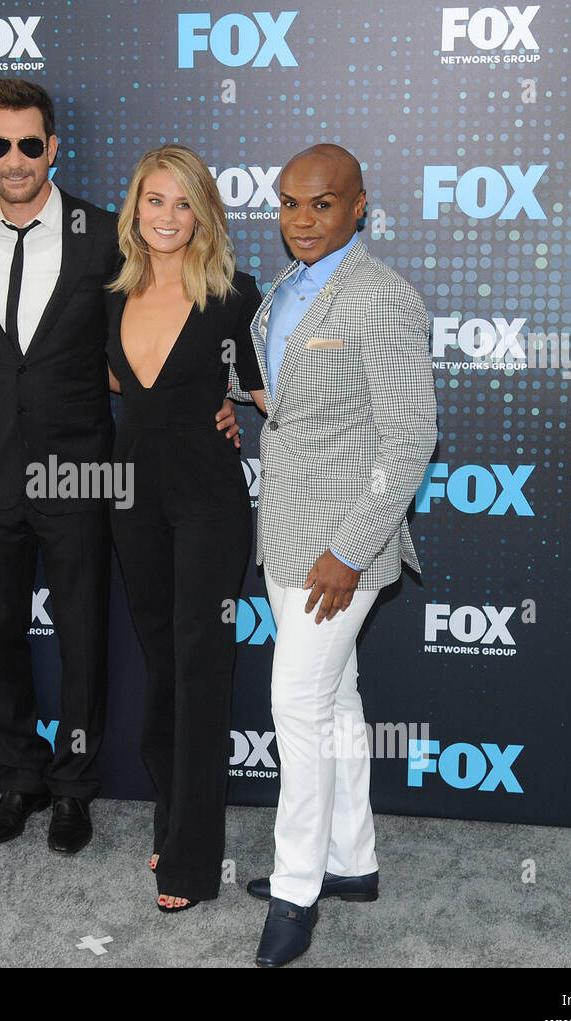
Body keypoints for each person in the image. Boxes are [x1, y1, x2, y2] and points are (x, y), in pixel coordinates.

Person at [0, 79, 241, 855]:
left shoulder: (109, 233)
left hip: (86, 471)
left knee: (81, 632)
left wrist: (221, 397)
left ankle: (73, 785)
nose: (14, 159)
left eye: (29, 145)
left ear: (53, 149)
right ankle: (17, 776)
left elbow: (160, 344)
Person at [241, 144, 437, 966]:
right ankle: (352, 861)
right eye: (289, 204)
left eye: (321, 205)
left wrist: (351, 551)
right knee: (339, 701)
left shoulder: (382, 299)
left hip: (338, 549)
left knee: (298, 710)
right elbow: (293, 402)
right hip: (285, 533)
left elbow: (412, 438)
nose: (302, 220)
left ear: (361, 206)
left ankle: (296, 892)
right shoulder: (288, 286)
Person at [104, 145, 262, 911]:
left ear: (204, 214)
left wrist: (238, 406)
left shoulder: (235, 298)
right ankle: (171, 819)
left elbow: (277, 395)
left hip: (208, 498)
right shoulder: (109, 293)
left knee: (202, 670)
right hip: (131, 495)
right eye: (153, 201)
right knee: (162, 666)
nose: (167, 217)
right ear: (135, 208)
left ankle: (193, 863)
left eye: (183, 203)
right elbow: (104, 382)